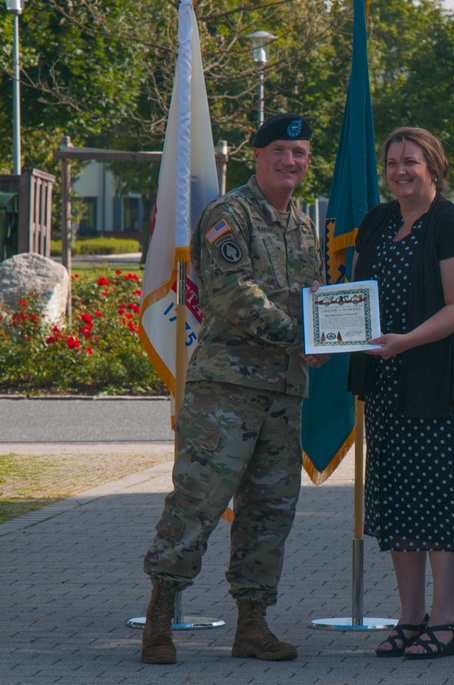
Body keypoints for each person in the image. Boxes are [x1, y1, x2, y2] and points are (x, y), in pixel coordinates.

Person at [141, 113, 325, 665]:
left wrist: (332, 323)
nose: (291, 161)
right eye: (281, 151)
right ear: (258, 155)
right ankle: (159, 618)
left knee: (270, 511)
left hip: (283, 391)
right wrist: (300, 336)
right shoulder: (230, 214)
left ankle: (253, 624)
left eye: (300, 153)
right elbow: (231, 294)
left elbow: (310, 294)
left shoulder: (302, 225)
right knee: (198, 502)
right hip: (226, 391)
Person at [346, 127, 454, 660]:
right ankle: (409, 617)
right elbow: (356, 294)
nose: (399, 171)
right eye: (391, 162)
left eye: (410, 161)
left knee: (445, 502)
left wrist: (406, 341)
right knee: (400, 506)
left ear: (434, 166)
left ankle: (446, 619)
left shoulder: (453, 225)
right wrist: (331, 318)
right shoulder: (378, 221)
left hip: (440, 384)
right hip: (388, 386)